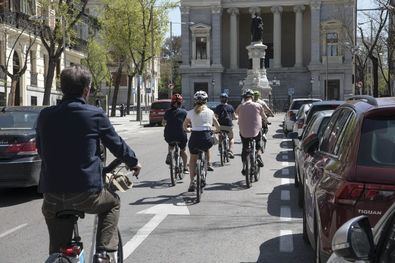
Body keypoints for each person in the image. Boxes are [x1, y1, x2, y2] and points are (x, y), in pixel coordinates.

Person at [36, 66, 142, 263]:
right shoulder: (94, 114)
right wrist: (133, 162)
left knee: (60, 247)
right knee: (112, 203)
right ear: (86, 90)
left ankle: (59, 255)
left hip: (51, 196)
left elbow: (41, 151)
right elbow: (117, 145)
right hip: (86, 194)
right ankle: (103, 253)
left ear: (62, 89)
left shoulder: (45, 115)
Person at [183, 90, 220, 192]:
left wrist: (188, 129)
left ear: (195, 101)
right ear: (206, 101)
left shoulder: (190, 113)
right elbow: (218, 126)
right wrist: (215, 130)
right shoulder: (210, 112)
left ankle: (191, 182)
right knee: (206, 148)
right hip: (206, 137)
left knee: (192, 159)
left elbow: (184, 126)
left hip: (195, 138)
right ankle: (207, 165)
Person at [236, 89, 267, 175]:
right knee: (258, 145)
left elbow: (236, 114)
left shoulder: (240, 106)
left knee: (245, 148)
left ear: (244, 98)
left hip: (244, 132)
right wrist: (266, 121)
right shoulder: (258, 105)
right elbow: (264, 116)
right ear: (252, 97)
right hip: (256, 131)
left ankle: (244, 166)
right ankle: (258, 156)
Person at [163, 93, 189, 174]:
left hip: (169, 135)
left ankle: (169, 154)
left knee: (170, 143)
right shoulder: (184, 112)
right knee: (183, 150)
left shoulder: (167, 112)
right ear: (181, 103)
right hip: (181, 135)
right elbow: (188, 123)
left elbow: (163, 123)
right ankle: (185, 168)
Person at [214, 93, 237, 158]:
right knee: (231, 138)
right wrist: (237, 117)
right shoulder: (230, 107)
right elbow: (234, 117)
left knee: (220, 134)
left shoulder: (218, 107)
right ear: (227, 99)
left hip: (220, 125)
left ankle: (220, 144)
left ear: (220, 100)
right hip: (228, 125)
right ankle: (230, 150)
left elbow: (215, 117)